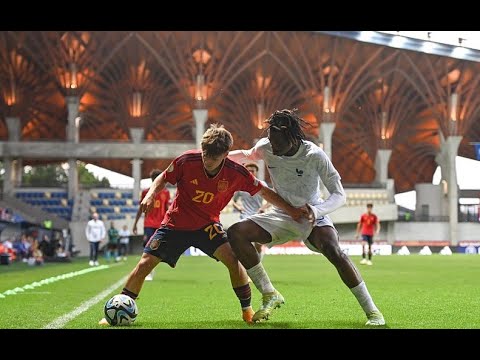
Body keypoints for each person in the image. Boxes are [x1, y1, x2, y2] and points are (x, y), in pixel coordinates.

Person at [99, 123, 308, 326]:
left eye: (214, 157)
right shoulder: (186, 161)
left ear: (226, 154)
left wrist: (292, 211)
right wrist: (151, 195)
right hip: (175, 224)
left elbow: (264, 191)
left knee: (233, 260)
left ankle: (247, 311)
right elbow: (163, 178)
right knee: (144, 264)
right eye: (205, 154)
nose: (207, 160)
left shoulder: (237, 173)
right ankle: (120, 307)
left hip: (207, 226)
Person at [227, 108, 385, 326]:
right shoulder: (267, 146)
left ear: (292, 137)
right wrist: (214, 156)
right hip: (282, 213)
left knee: (334, 251)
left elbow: (339, 195)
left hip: (313, 214)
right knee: (236, 233)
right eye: (270, 140)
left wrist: (317, 211)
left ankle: (373, 312)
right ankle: (269, 293)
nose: (272, 146)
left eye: (277, 142)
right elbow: (247, 155)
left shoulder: (314, 155)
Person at [133, 169, 171, 281]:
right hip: (149, 223)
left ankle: (150, 269)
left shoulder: (166, 192)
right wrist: (135, 223)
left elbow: (167, 209)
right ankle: (148, 271)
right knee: (148, 246)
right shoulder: (146, 192)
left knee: (157, 248)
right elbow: (142, 207)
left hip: (161, 224)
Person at [232, 162, 271, 260]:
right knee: (245, 241)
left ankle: (258, 262)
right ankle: (247, 264)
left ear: (256, 172)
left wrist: (263, 208)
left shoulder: (262, 184)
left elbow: (271, 200)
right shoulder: (240, 185)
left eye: (252, 171)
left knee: (258, 244)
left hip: (258, 216)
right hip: (245, 216)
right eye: (248, 171)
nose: (250, 172)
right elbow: (233, 201)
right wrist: (239, 207)